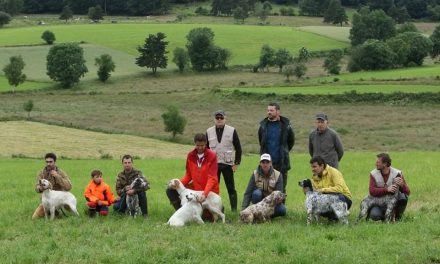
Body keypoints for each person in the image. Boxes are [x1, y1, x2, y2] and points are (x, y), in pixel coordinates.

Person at [166, 133, 219, 219]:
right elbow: (188, 175)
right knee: (170, 190)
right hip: (195, 189)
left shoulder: (212, 155)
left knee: (208, 217)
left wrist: (205, 194)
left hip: (209, 190)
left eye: (202, 145)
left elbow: (212, 178)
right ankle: (181, 213)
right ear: (195, 143)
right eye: (198, 145)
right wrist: (178, 184)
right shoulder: (190, 155)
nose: (200, 148)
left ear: (206, 144)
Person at [206, 110, 242, 211]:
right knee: (213, 189)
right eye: (217, 118)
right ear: (214, 119)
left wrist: (237, 163)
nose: (219, 120)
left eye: (221, 118)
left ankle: (234, 210)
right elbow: (206, 150)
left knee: (231, 188)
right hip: (214, 165)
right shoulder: (208, 131)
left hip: (228, 164)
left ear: (225, 118)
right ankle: (216, 209)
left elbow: (238, 148)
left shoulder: (232, 130)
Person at [258, 102, 294, 194]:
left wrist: (284, 152)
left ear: (278, 111)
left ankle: (281, 208)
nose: (269, 112)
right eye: (268, 110)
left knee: (281, 188)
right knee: (266, 188)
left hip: (281, 162)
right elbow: (261, 142)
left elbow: (290, 142)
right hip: (267, 163)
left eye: (271, 110)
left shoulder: (286, 126)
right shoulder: (263, 126)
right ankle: (268, 208)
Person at [368, 153, 410, 221]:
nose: (376, 164)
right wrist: (386, 189)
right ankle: (386, 217)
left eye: (378, 162)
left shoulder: (397, 173)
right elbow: (372, 191)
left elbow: (407, 192)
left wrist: (402, 185)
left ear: (385, 164)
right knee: (374, 215)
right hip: (379, 203)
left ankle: (398, 217)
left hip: (393, 202)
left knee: (403, 197)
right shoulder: (373, 174)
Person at [241, 153, 286, 218]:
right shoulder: (255, 174)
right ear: (260, 163)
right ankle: (258, 214)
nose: (265, 164)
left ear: (270, 163)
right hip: (259, 201)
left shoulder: (278, 175)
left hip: (272, 202)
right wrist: (244, 209)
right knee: (256, 194)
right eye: (263, 162)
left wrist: (277, 201)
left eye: (267, 162)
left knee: (282, 210)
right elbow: (248, 192)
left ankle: (266, 215)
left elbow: (280, 192)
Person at [309, 156, 352, 220]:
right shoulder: (314, 178)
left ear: (322, 166)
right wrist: (308, 192)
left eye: (315, 166)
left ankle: (341, 213)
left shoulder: (334, 172)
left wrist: (322, 190)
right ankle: (333, 216)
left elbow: (339, 189)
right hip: (328, 199)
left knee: (335, 197)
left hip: (344, 198)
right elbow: (316, 193)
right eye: (312, 167)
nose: (312, 169)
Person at [32, 152, 72, 219]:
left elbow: (69, 187)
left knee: (70, 208)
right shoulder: (41, 173)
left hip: (60, 199)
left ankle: (57, 209)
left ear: (55, 162)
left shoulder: (61, 172)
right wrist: (40, 188)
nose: (48, 164)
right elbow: (36, 188)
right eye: (47, 162)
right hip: (46, 200)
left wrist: (57, 176)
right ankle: (53, 212)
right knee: (35, 217)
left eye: (50, 162)